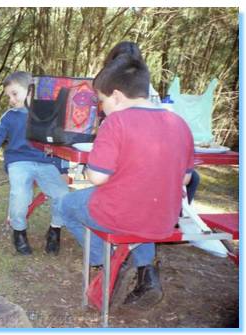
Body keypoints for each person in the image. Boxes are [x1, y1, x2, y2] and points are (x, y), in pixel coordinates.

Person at [58, 54, 195, 308]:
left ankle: (110, 262)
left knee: (65, 205)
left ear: (117, 96)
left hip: (120, 214)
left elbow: (98, 177)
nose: (101, 107)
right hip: (163, 219)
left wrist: (88, 168)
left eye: (102, 100)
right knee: (141, 210)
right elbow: (186, 178)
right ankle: (146, 273)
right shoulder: (179, 123)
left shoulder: (116, 122)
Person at [0, 71, 70, 256]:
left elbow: (59, 143)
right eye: (8, 96)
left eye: (14, 94)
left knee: (63, 195)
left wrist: (63, 168)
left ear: (31, 91)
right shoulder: (10, 116)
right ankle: (19, 232)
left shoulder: (48, 115)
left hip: (46, 162)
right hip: (19, 161)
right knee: (20, 194)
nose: (11, 100)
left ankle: (55, 230)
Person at [103, 41, 201, 204]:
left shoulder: (145, 87)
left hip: (146, 147)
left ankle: (171, 213)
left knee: (189, 178)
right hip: (120, 148)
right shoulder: (104, 86)